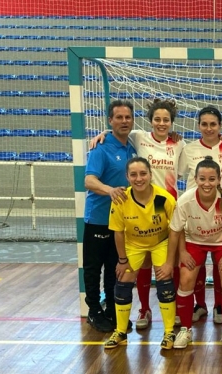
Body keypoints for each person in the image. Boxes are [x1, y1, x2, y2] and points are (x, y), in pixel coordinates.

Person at [90, 99, 187, 330]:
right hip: (142, 203)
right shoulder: (139, 137)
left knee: (166, 261)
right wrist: (101, 134)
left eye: (166, 120)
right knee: (143, 262)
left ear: (171, 123)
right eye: (157, 119)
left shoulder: (179, 144)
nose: (161, 123)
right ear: (150, 121)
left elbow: (182, 173)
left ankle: (169, 309)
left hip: (166, 205)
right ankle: (145, 308)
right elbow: (117, 131)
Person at [169, 156, 222, 350]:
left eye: (212, 179)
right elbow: (176, 230)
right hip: (193, 241)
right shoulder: (185, 200)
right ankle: (185, 329)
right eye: (202, 179)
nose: (207, 183)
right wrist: (179, 255)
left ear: (219, 180)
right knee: (186, 279)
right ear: (195, 179)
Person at [103, 157, 177, 349]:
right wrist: (122, 260)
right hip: (133, 244)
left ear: (151, 175)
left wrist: (170, 261)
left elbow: (174, 230)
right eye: (133, 174)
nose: (139, 178)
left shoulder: (162, 199)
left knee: (165, 281)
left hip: (160, 242)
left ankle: (169, 333)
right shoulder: (122, 200)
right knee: (123, 282)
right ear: (127, 177)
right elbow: (118, 232)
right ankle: (120, 332)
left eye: (143, 173)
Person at [177, 106, 222, 325]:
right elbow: (177, 173)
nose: (209, 128)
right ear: (198, 126)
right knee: (196, 266)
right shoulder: (189, 149)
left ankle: (220, 306)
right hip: (196, 214)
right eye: (204, 124)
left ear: (220, 126)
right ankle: (200, 305)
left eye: (213, 124)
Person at [83, 100, 137, 333]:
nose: (124, 121)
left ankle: (112, 310)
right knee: (94, 269)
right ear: (110, 120)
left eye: (128, 117)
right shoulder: (101, 148)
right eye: (119, 117)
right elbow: (89, 180)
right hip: (99, 218)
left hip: (122, 223)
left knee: (115, 267)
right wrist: (110, 190)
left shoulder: (132, 147)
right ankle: (93, 311)